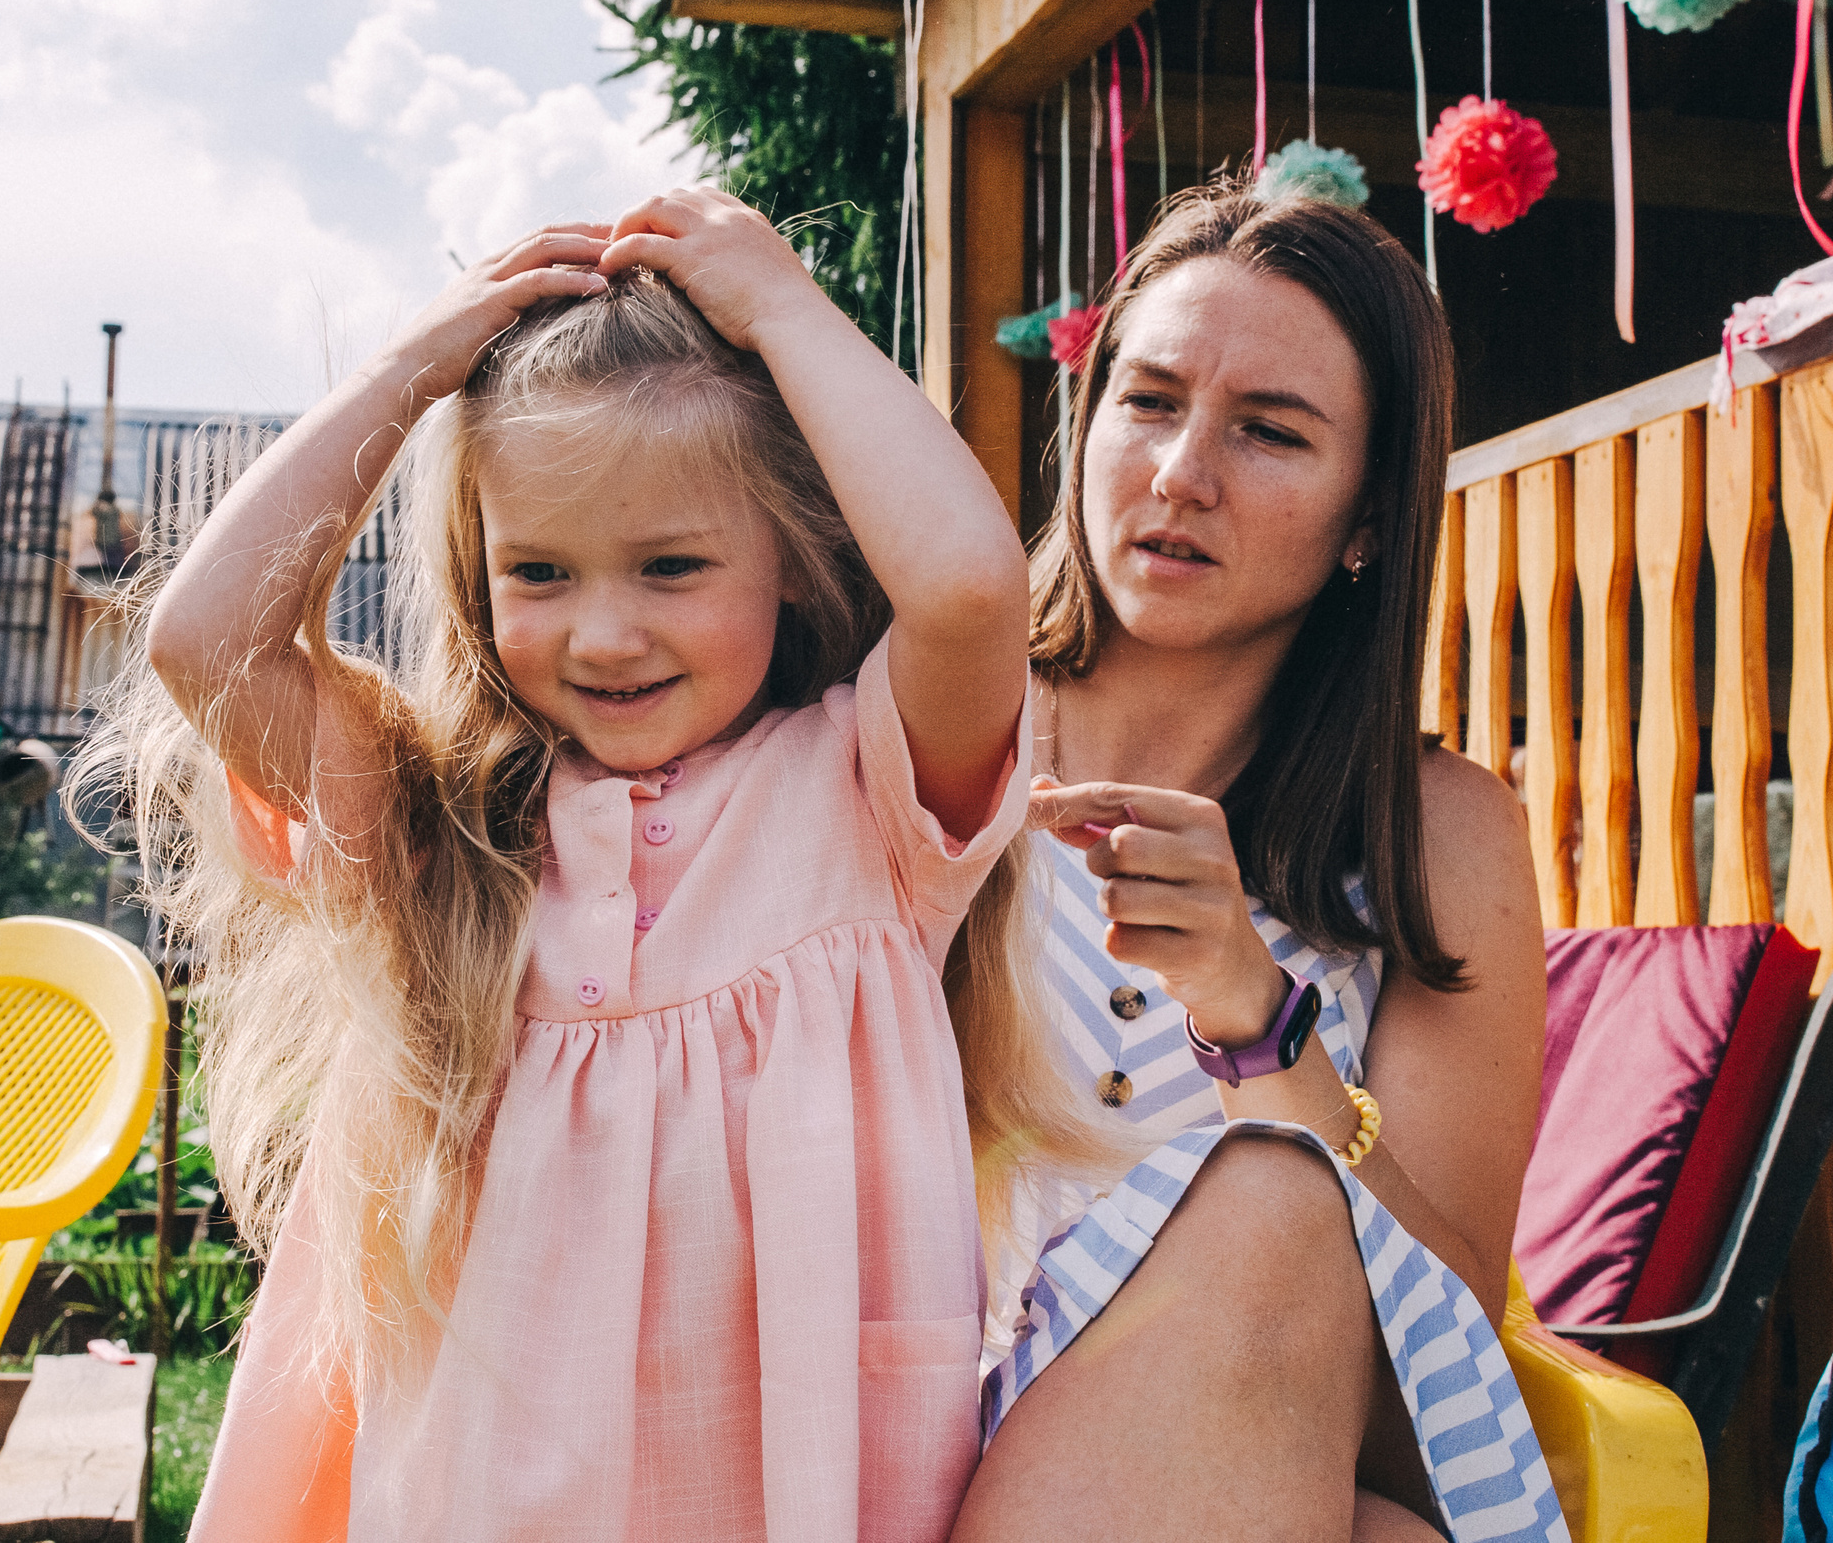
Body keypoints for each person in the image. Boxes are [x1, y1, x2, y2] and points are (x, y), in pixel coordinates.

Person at [79, 185, 1103, 1542]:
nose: (605, 634)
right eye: (543, 572)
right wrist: (410, 374)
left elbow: (971, 587)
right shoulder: (444, 830)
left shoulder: (869, 802)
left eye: (672, 565)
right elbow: (204, 643)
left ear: (789, 566)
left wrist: (787, 310)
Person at [951, 187, 1561, 1543]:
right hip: (894, 1412)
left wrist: (1255, 1018)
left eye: (1269, 431)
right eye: (1149, 401)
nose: (1181, 474)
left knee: (1279, 1202)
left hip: (1224, 1448)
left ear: (1371, 521)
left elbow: (1439, 1349)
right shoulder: (934, 721)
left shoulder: (1436, 834)